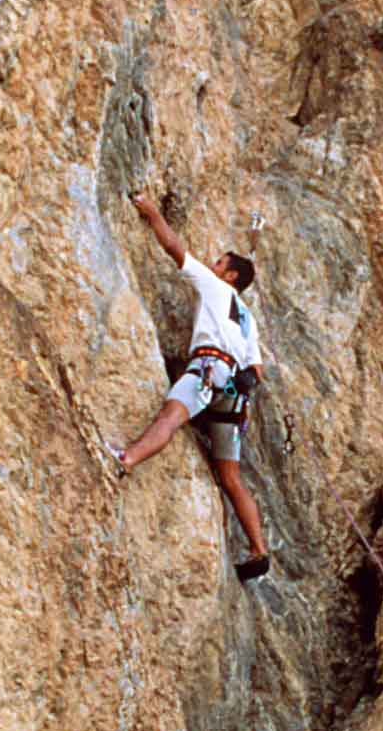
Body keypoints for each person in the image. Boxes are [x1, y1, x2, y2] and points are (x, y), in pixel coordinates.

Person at [110, 191, 273, 582]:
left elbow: (174, 247)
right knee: (230, 476)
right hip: (234, 395)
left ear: (231, 275)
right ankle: (258, 549)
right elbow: (257, 370)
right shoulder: (248, 319)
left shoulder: (218, 288)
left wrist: (151, 213)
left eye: (220, 262)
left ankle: (127, 459)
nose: (213, 265)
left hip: (207, 370)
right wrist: (243, 380)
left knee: (170, 416)